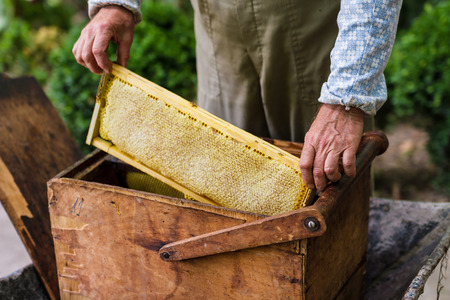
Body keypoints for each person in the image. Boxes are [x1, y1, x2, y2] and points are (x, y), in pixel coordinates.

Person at [73, 0, 402, 192]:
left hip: (314, 34)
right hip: (219, 33)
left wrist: (346, 98)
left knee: (324, 186)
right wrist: (115, 4)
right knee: (221, 189)